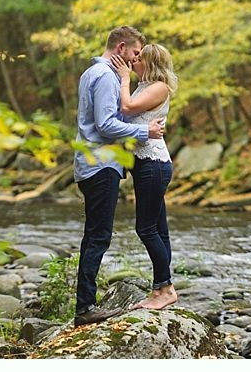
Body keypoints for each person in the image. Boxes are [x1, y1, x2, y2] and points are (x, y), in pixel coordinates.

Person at [72, 26, 165, 326]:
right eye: (136, 53)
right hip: (100, 164)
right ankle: (85, 307)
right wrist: (144, 130)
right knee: (98, 236)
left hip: (96, 164)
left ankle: (86, 304)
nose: (138, 59)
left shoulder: (96, 74)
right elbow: (105, 125)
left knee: (96, 235)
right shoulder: (104, 77)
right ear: (121, 48)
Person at [112, 43, 178, 310]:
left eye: (139, 59)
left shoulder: (159, 86)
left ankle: (165, 289)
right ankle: (162, 288)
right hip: (145, 163)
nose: (134, 61)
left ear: (151, 64)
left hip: (153, 162)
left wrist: (124, 78)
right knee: (159, 230)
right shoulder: (145, 86)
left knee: (146, 228)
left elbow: (127, 108)